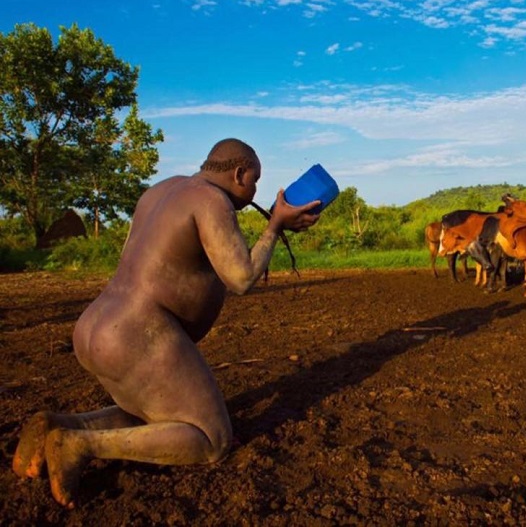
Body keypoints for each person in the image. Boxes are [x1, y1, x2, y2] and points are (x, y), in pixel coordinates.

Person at [12, 138, 321, 508]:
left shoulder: (160, 190)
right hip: (138, 333)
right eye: (254, 180)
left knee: (149, 413)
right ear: (238, 174)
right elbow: (240, 277)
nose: (255, 190)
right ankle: (83, 445)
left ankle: (58, 425)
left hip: (96, 324)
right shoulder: (211, 200)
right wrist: (273, 229)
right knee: (211, 439)